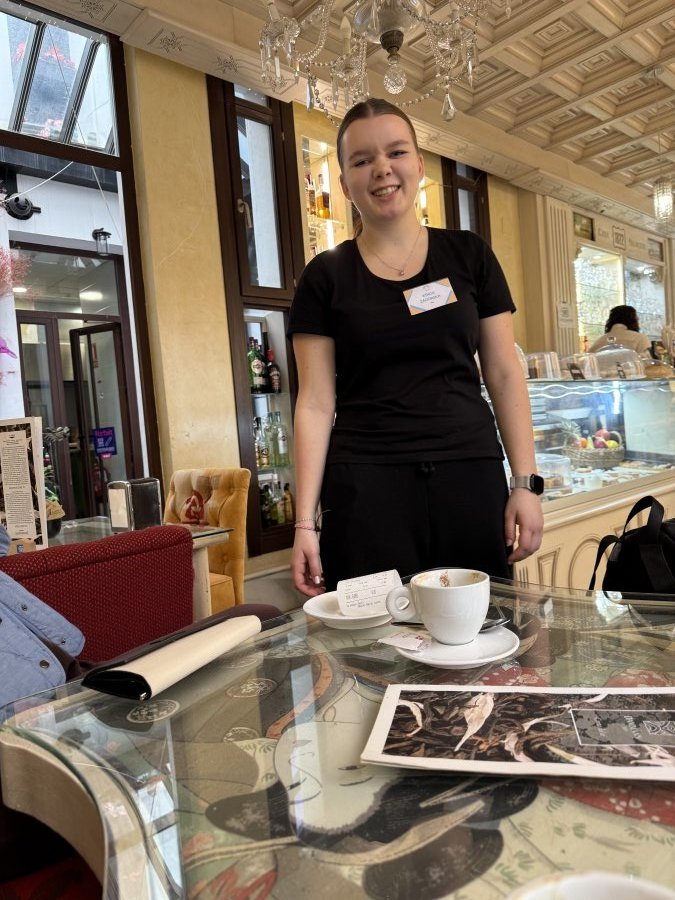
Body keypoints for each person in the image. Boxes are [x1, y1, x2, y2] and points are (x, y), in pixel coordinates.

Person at [287, 98, 543, 597]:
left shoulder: (470, 255)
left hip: (469, 476)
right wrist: (304, 523)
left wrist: (525, 484)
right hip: (365, 488)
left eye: (396, 152)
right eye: (362, 160)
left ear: (420, 165)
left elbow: (504, 373)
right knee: (371, 637)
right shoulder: (324, 277)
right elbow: (315, 403)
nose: (382, 168)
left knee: (479, 631)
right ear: (345, 184)